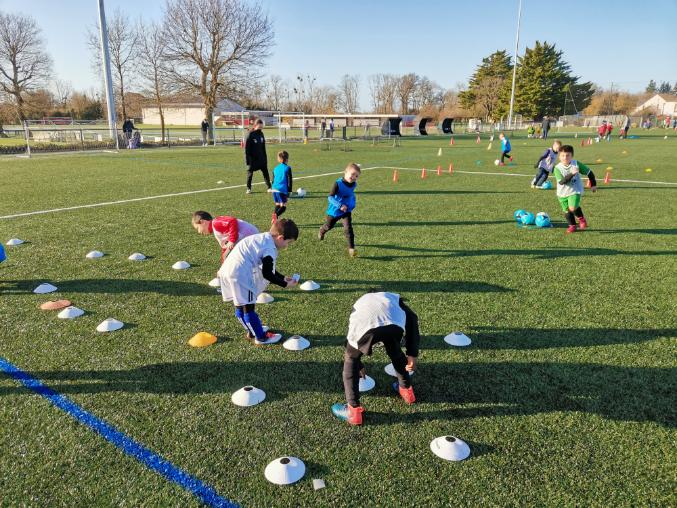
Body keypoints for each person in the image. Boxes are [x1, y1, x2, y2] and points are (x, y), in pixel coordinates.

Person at [331, 291, 420, 426]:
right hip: (394, 322)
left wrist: (358, 364)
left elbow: (349, 343)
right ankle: (407, 391)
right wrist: (412, 354)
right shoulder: (393, 297)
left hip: (367, 326)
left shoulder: (361, 303)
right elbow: (412, 318)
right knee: (394, 348)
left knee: (350, 359)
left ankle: (353, 411)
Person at [218, 219, 299, 345]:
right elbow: (267, 274)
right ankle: (260, 337)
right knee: (249, 307)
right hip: (240, 274)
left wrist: (283, 277)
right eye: (288, 242)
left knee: (240, 304)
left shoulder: (262, 238)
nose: (287, 246)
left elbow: (267, 268)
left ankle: (252, 330)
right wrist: (285, 284)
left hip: (227, 270)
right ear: (281, 237)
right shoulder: (270, 248)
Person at [318, 163, 360, 257]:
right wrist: (339, 205)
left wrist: (352, 204)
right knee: (329, 226)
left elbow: (351, 195)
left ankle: (351, 248)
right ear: (345, 172)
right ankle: (322, 230)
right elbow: (330, 197)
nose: (354, 177)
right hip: (335, 210)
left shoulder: (354, 184)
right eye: (352, 174)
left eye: (356, 176)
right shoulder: (338, 183)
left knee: (348, 228)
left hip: (346, 210)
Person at [553, 145, 597, 233]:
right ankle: (572, 225)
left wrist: (593, 184)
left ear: (572, 155)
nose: (565, 158)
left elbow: (589, 172)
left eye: (567, 155)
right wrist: (572, 174)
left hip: (575, 191)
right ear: (559, 156)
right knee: (566, 211)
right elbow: (562, 182)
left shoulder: (576, 164)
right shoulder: (557, 168)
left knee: (572, 208)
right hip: (562, 193)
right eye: (562, 155)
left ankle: (582, 219)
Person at [192, 211, 259, 264]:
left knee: (244, 260)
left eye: (197, 228)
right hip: (247, 240)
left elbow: (231, 221)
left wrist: (232, 240)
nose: (198, 231)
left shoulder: (215, 223)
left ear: (202, 222)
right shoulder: (216, 231)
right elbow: (225, 248)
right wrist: (223, 267)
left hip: (250, 236)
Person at [245, 119, 271, 194]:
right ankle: (248, 188)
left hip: (261, 158)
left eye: (261, 127)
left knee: (266, 173)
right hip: (252, 159)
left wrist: (265, 158)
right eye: (259, 127)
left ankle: (269, 187)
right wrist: (247, 161)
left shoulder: (261, 134)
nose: (260, 129)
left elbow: (263, 147)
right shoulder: (250, 134)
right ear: (255, 126)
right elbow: (246, 149)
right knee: (250, 174)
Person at [271, 150, 293, 223]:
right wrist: (289, 191)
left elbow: (273, 180)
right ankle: (275, 216)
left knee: (277, 204)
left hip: (274, 189)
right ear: (287, 159)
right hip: (282, 189)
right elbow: (290, 180)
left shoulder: (275, 168)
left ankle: (274, 219)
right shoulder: (288, 168)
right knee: (283, 206)